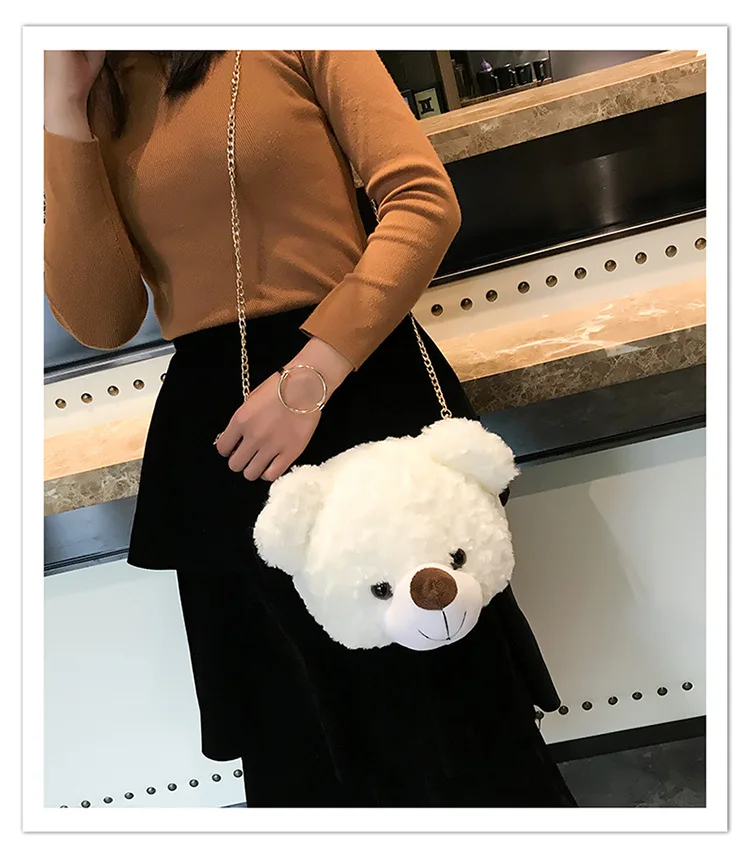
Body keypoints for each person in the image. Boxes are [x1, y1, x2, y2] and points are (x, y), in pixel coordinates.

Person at [44, 49, 576, 808]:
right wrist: (63, 106)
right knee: (295, 745)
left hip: (355, 391)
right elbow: (102, 319)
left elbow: (423, 201)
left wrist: (309, 379)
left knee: (454, 730)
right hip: (226, 444)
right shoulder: (95, 89)